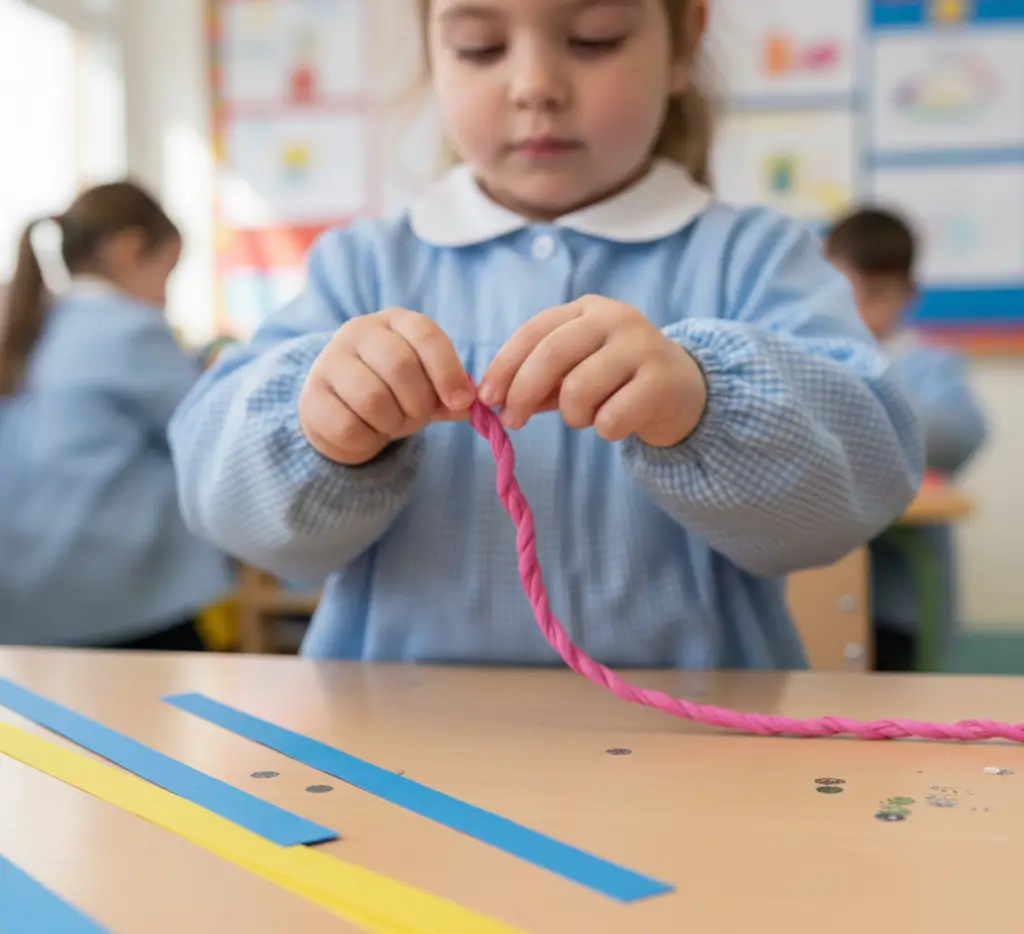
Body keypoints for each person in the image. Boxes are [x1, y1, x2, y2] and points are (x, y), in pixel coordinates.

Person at [169, 0, 924, 669]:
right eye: (479, 46)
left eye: (593, 38)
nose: (535, 85)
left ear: (684, 40)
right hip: (394, 756)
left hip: (695, 765)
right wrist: (321, 431)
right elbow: (223, 500)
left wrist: (704, 402)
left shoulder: (754, 258)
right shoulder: (362, 266)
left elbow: (866, 477)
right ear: (432, 51)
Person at [0, 180, 234, 649]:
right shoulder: (127, 329)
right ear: (128, 250)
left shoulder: (43, 320)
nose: (166, 297)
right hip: (111, 594)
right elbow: (216, 430)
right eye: (167, 273)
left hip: (32, 590)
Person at [825, 206, 987, 670]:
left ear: (907, 294)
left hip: (901, 602)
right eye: (843, 292)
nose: (856, 309)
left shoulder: (928, 362)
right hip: (822, 587)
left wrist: (860, 388)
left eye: (874, 294)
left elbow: (961, 436)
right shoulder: (805, 353)